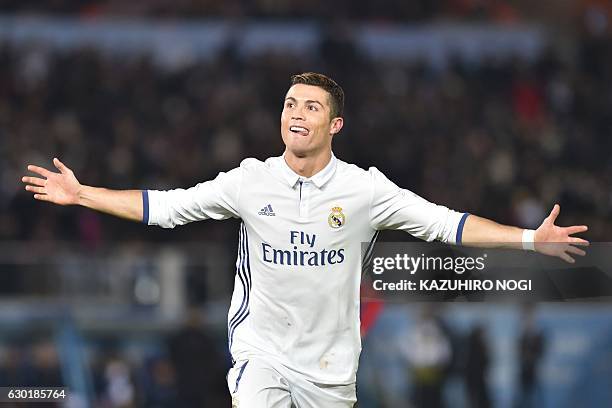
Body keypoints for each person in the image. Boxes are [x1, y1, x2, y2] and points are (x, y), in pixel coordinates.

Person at [22, 72, 588, 407]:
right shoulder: (250, 180)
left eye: (311, 106)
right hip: (260, 356)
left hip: (331, 369)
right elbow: (167, 208)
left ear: (334, 125)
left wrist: (529, 241)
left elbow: (449, 223)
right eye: (290, 104)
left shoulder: (365, 191)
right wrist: (84, 195)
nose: (296, 114)